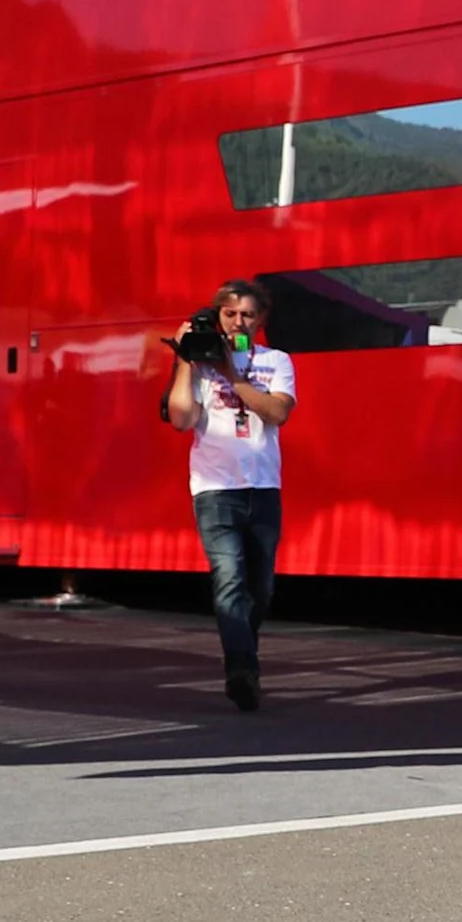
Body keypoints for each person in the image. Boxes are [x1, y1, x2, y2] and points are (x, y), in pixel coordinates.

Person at [160, 280, 296, 709]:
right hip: (215, 488)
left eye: (248, 315)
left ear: (260, 321)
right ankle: (241, 670)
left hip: (263, 487)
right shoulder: (197, 367)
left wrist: (233, 375)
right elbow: (181, 418)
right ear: (218, 316)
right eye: (231, 314)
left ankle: (244, 661)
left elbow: (277, 412)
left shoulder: (276, 361)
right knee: (230, 579)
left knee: (261, 588)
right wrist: (186, 360)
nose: (240, 322)